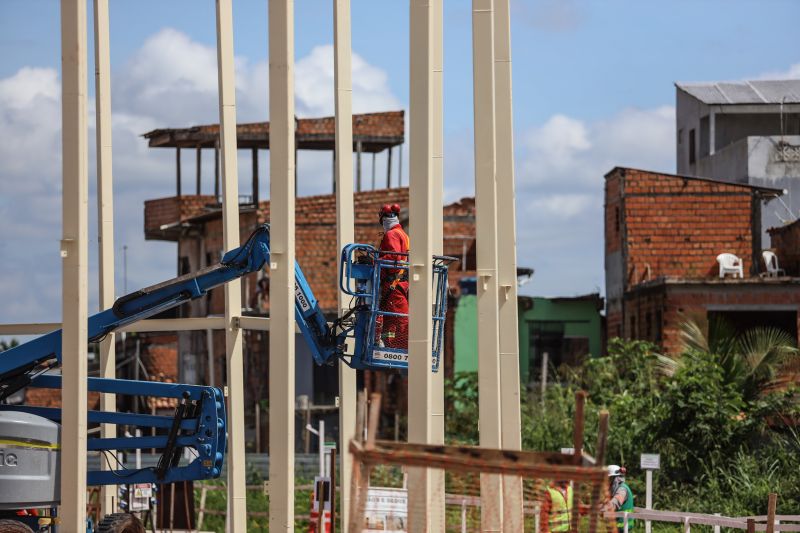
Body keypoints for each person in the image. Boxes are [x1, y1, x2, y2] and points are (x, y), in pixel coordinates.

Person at [375, 203, 410, 349]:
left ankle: (402, 348)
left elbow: (394, 256)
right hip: (397, 284)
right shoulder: (402, 234)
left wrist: (376, 260)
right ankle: (391, 346)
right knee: (390, 320)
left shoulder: (392, 234)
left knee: (399, 318)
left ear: (384, 220)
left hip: (394, 285)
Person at [606, 465, 635, 531]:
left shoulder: (622, 490)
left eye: (609, 479)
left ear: (615, 478)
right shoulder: (614, 489)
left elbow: (613, 505)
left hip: (623, 527)